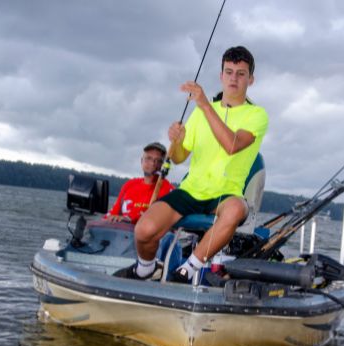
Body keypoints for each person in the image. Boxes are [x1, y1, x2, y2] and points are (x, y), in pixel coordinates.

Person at [115, 46, 268, 283]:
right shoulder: (200, 112)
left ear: (251, 79)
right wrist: (175, 140)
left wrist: (205, 105)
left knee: (236, 209)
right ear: (221, 76)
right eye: (228, 72)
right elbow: (178, 158)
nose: (233, 78)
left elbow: (232, 145)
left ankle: (187, 269)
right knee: (143, 231)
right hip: (192, 190)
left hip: (226, 194)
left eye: (240, 73)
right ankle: (146, 268)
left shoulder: (256, 115)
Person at [105, 142, 174, 223]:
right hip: (122, 232)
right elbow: (111, 215)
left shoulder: (169, 191)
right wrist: (113, 218)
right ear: (142, 161)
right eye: (148, 158)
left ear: (162, 165)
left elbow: (166, 223)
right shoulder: (129, 185)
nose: (152, 163)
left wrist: (131, 220)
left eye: (158, 160)